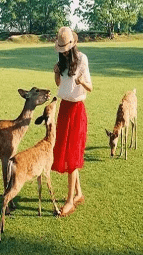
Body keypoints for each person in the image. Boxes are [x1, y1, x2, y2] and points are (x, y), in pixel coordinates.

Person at [52, 26, 93, 217]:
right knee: (66, 151)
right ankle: (78, 193)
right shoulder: (62, 62)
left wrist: (81, 82)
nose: (64, 52)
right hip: (64, 109)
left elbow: (90, 87)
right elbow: (60, 85)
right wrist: (56, 73)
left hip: (77, 110)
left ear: (73, 45)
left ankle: (70, 201)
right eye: (62, 49)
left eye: (66, 48)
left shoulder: (82, 59)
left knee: (73, 154)